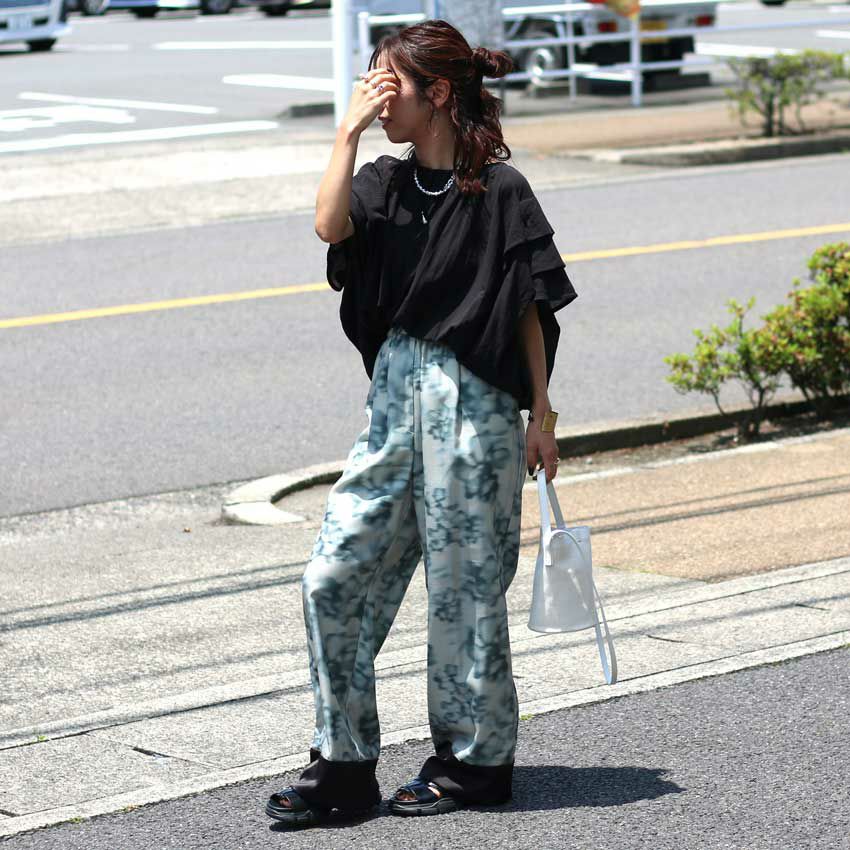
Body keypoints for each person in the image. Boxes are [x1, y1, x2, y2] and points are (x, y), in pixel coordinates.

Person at [265, 18, 577, 827]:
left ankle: (475, 762)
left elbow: (529, 308)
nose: (378, 100)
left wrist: (542, 415)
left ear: (437, 93)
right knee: (333, 576)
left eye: (389, 85)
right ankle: (343, 764)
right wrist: (345, 133)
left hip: (476, 406)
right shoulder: (381, 182)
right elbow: (329, 227)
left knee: (465, 592)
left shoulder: (502, 191)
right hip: (394, 402)